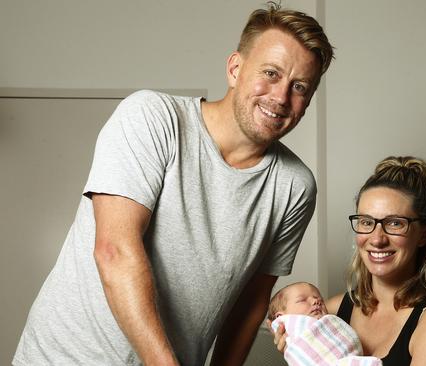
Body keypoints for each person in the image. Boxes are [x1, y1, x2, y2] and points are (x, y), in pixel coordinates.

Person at [13, 2, 334, 366]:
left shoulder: (295, 186)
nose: (280, 97)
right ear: (235, 68)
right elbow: (114, 250)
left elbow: (251, 303)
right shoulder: (152, 118)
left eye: (299, 87)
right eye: (271, 74)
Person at [273, 156, 426, 365]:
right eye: (367, 222)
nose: (377, 239)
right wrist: (300, 352)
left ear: (424, 234)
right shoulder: (331, 309)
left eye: (395, 223)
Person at [268, 282, 382, 366]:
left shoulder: (329, 322)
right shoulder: (293, 327)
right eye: (302, 300)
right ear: (281, 317)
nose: (315, 301)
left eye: (319, 299)